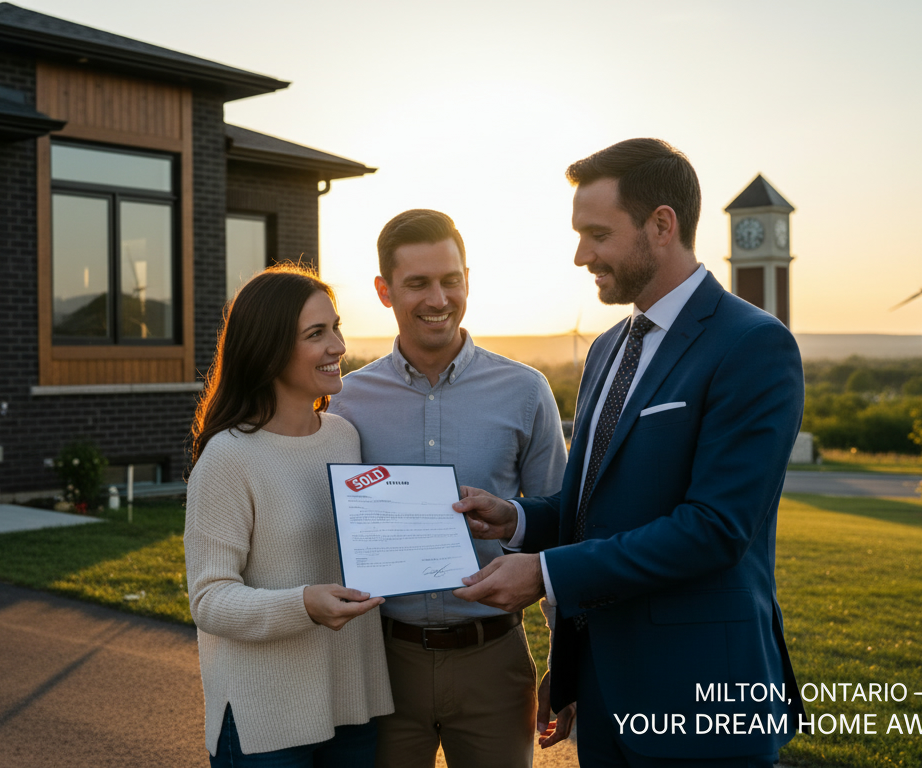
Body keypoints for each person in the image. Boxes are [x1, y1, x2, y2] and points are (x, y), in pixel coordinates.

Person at [452, 139, 805, 767]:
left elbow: (715, 529)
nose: (580, 255)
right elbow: (600, 506)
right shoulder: (609, 347)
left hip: (702, 701)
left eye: (597, 234)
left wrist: (546, 572)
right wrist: (521, 520)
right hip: (603, 692)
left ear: (661, 225)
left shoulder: (752, 345)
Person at [329, 209, 568, 768]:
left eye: (450, 280)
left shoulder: (526, 391)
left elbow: (562, 526)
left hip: (496, 662)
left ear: (467, 279)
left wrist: (568, 655)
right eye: (417, 283)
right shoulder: (344, 402)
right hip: (382, 663)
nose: (438, 298)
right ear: (384, 291)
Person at [184, 265, 394, 766]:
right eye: (316, 334)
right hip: (267, 721)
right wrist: (303, 605)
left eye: (336, 327)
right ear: (268, 347)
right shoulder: (228, 457)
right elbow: (209, 600)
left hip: (353, 704)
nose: (338, 346)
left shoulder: (345, 436)